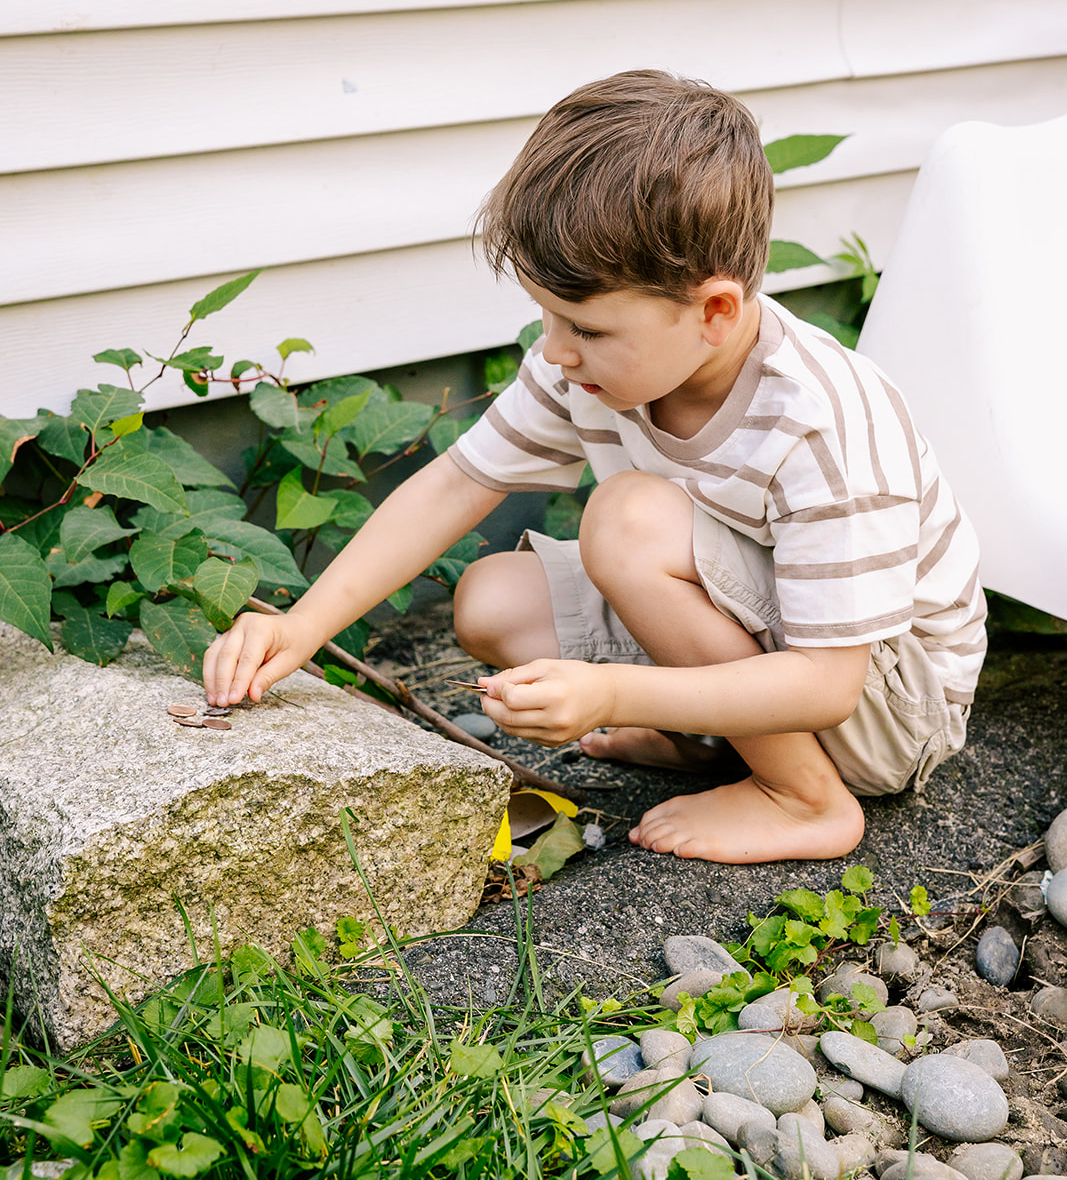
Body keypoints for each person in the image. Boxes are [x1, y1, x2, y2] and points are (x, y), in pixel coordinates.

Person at [203, 70, 986, 865]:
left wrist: (611, 693)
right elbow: (458, 482)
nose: (554, 349)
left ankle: (803, 800)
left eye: (584, 326)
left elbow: (827, 684)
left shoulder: (819, 419)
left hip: (886, 706)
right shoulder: (590, 364)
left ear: (714, 312)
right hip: (777, 655)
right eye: (546, 314)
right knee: (491, 603)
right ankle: (718, 744)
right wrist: (301, 625)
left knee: (625, 520)